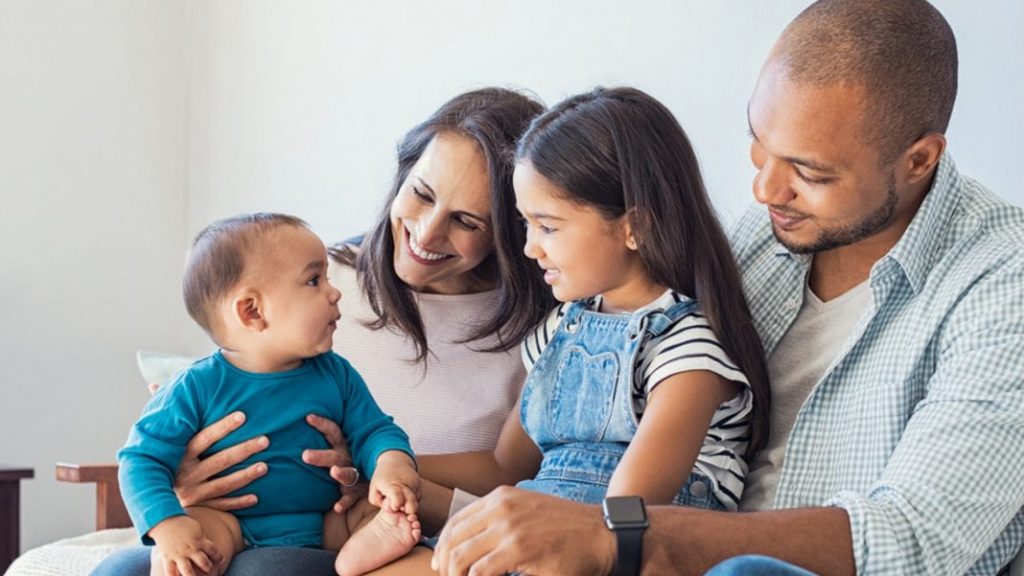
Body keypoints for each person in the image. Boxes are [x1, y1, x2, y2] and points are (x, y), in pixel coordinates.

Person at [426, 1, 1024, 575]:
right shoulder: (766, 234)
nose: (765, 190)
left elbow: (911, 540)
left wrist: (617, 535)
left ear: (918, 160)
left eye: (809, 173)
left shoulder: (1001, 282)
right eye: (758, 148)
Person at [93, 88, 553, 576]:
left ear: (511, 227)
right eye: (420, 193)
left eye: (466, 221)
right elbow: (187, 423)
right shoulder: (306, 278)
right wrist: (177, 493)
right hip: (233, 515)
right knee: (121, 569)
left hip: (362, 520)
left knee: (268, 570)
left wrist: (381, 472)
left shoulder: (544, 328)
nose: (426, 233)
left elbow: (505, 476)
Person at [414, 86, 769, 520]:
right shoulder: (561, 328)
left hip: (608, 547)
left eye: (548, 227)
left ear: (634, 226)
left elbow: (624, 516)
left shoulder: (686, 351)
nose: (529, 248)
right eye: (526, 223)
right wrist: (386, 463)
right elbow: (503, 469)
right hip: (539, 528)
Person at [118, 213, 422, 576]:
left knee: (373, 512)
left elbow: (375, 430)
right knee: (187, 553)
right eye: (314, 280)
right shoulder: (196, 386)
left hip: (328, 519)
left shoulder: (336, 374)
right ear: (252, 311)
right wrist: (168, 526)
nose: (334, 291)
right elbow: (140, 460)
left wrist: (392, 467)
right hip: (229, 521)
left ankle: (361, 553)